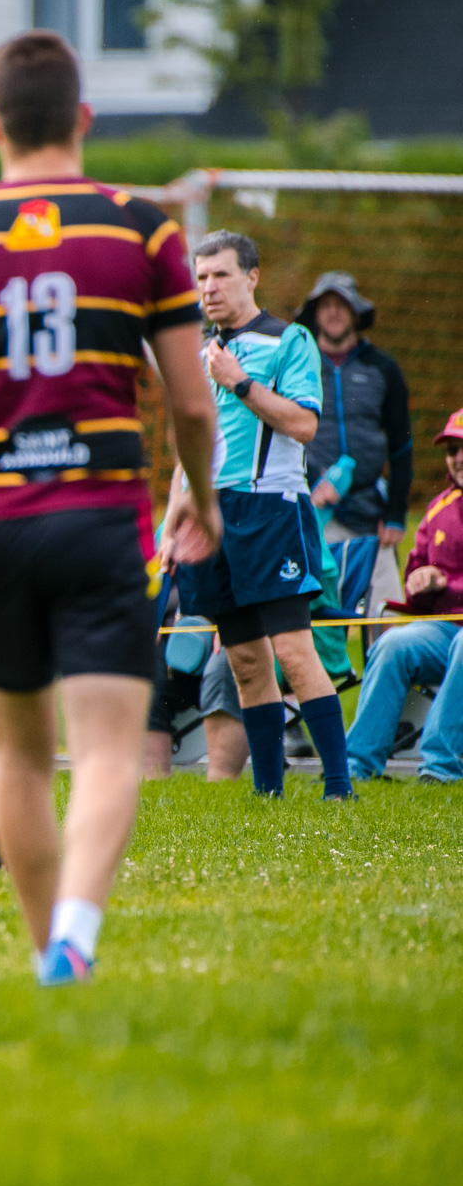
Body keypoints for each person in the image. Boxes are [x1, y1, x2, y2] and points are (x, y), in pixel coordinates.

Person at [0, 31, 221, 986]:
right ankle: (76, 929)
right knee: (107, 752)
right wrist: (200, 498)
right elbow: (193, 403)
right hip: (101, 517)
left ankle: (49, 955)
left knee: (23, 758)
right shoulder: (141, 230)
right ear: (84, 118)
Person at [168, 230, 353, 803]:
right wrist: (174, 521)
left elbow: (303, 425)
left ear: (251, 277)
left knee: (293, 651)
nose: (208, 287)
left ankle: (339, 787)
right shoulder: (197, 352)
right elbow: (188, 449)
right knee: (246, 661)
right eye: (201, 277)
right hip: (212, 515)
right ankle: (268, 792)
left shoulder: (288, 340)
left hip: (271, 509)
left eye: (220, 275)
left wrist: (240, 383)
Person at [345, 408, 463, 785]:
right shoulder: (438, 510)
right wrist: (420, 580)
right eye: (452, 451)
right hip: (444, 629)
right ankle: (358, 766)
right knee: (393, 644)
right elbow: (416, 585)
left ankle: (440, 767)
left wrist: (448, 583)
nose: (458, 458)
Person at [297, 271, 414, 617]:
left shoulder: (383, 368)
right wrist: (312, 482)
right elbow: (284, 435)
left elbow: (402, 445)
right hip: (316, 512)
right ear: (315, 313)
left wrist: (395, 514)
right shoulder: (298, 366)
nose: (333, 312)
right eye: (326, 305)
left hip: (371, 515)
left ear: (356, 311)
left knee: (386, 616)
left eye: (342, 304)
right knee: (316, 618)